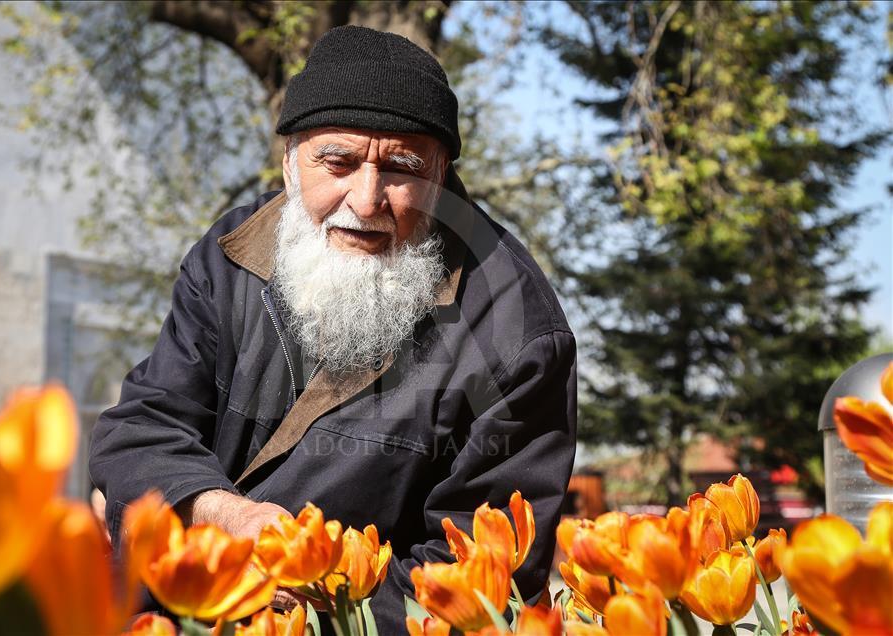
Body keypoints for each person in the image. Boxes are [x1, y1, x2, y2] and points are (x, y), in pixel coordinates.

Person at [90, 24, 576, 633]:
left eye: (401, 168)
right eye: (338, 162)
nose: (367, 200)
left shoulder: (517, 330)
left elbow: (482, 574)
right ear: (290, 162)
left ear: (441, 172)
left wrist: (294, 599)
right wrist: (222, 515)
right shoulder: (230, 254)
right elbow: (141, 429)